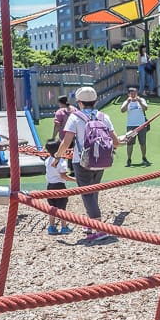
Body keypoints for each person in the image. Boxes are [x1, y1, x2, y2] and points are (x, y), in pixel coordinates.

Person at [53, 86, 120, 243]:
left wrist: (57, 157)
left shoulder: (75, 118)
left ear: (79, 102)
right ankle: (91, 224)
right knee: (94, 190)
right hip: (101, 160)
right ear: (96, 101)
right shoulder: (104, 117)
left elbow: (66, 142)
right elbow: (115, 142)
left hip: (81, 161)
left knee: (87, 194)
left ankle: (99, 228)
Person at [43, 139, 75, 235]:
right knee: (62, 208)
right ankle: (64, 227)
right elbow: (63, 176)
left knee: (52, 207)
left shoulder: (48, 160)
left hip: (50, 186)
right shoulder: (61, 162)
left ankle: (51, 227)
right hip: (59, 186)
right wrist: (76, 180)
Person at [120, 86, 150, 167]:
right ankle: (129, 159)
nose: (133, 95)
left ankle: (144, 157)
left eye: (135, 93)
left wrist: (140, 101)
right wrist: (127, 102)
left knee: (142, 142)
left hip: (141, 125)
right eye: (132, 94)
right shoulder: (126, 102)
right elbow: (122, 110)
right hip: (131, 126)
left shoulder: (141, 100)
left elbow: (146, 108)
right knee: (130, 143)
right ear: (128, 94)